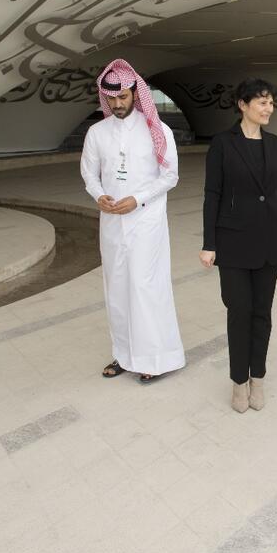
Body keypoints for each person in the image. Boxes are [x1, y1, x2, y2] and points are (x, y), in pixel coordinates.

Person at [80, 59, 185, 383]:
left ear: (135, 94)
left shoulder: (157, 130)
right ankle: (124, 355)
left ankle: (153, 359)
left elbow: (170, 176)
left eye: (123, 97)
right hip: (111, 223)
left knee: (145, 287)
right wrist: (100, 196)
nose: (117, 104)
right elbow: (88, 172)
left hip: (146, 222)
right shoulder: (97, 132)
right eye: (111, 98)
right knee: (117, 289)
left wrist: (136, 200)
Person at [200, 78, 277, 413]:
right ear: (243, 105)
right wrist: (209, 243)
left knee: (262, 314)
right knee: (239, 313)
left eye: (271, 102)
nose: (269, 108)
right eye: (262, 102)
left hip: (270, 240)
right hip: (234, 243)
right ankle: (239, 382)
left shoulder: (274, 144)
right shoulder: (223, 144)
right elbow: (213, 194)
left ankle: (259, 379)